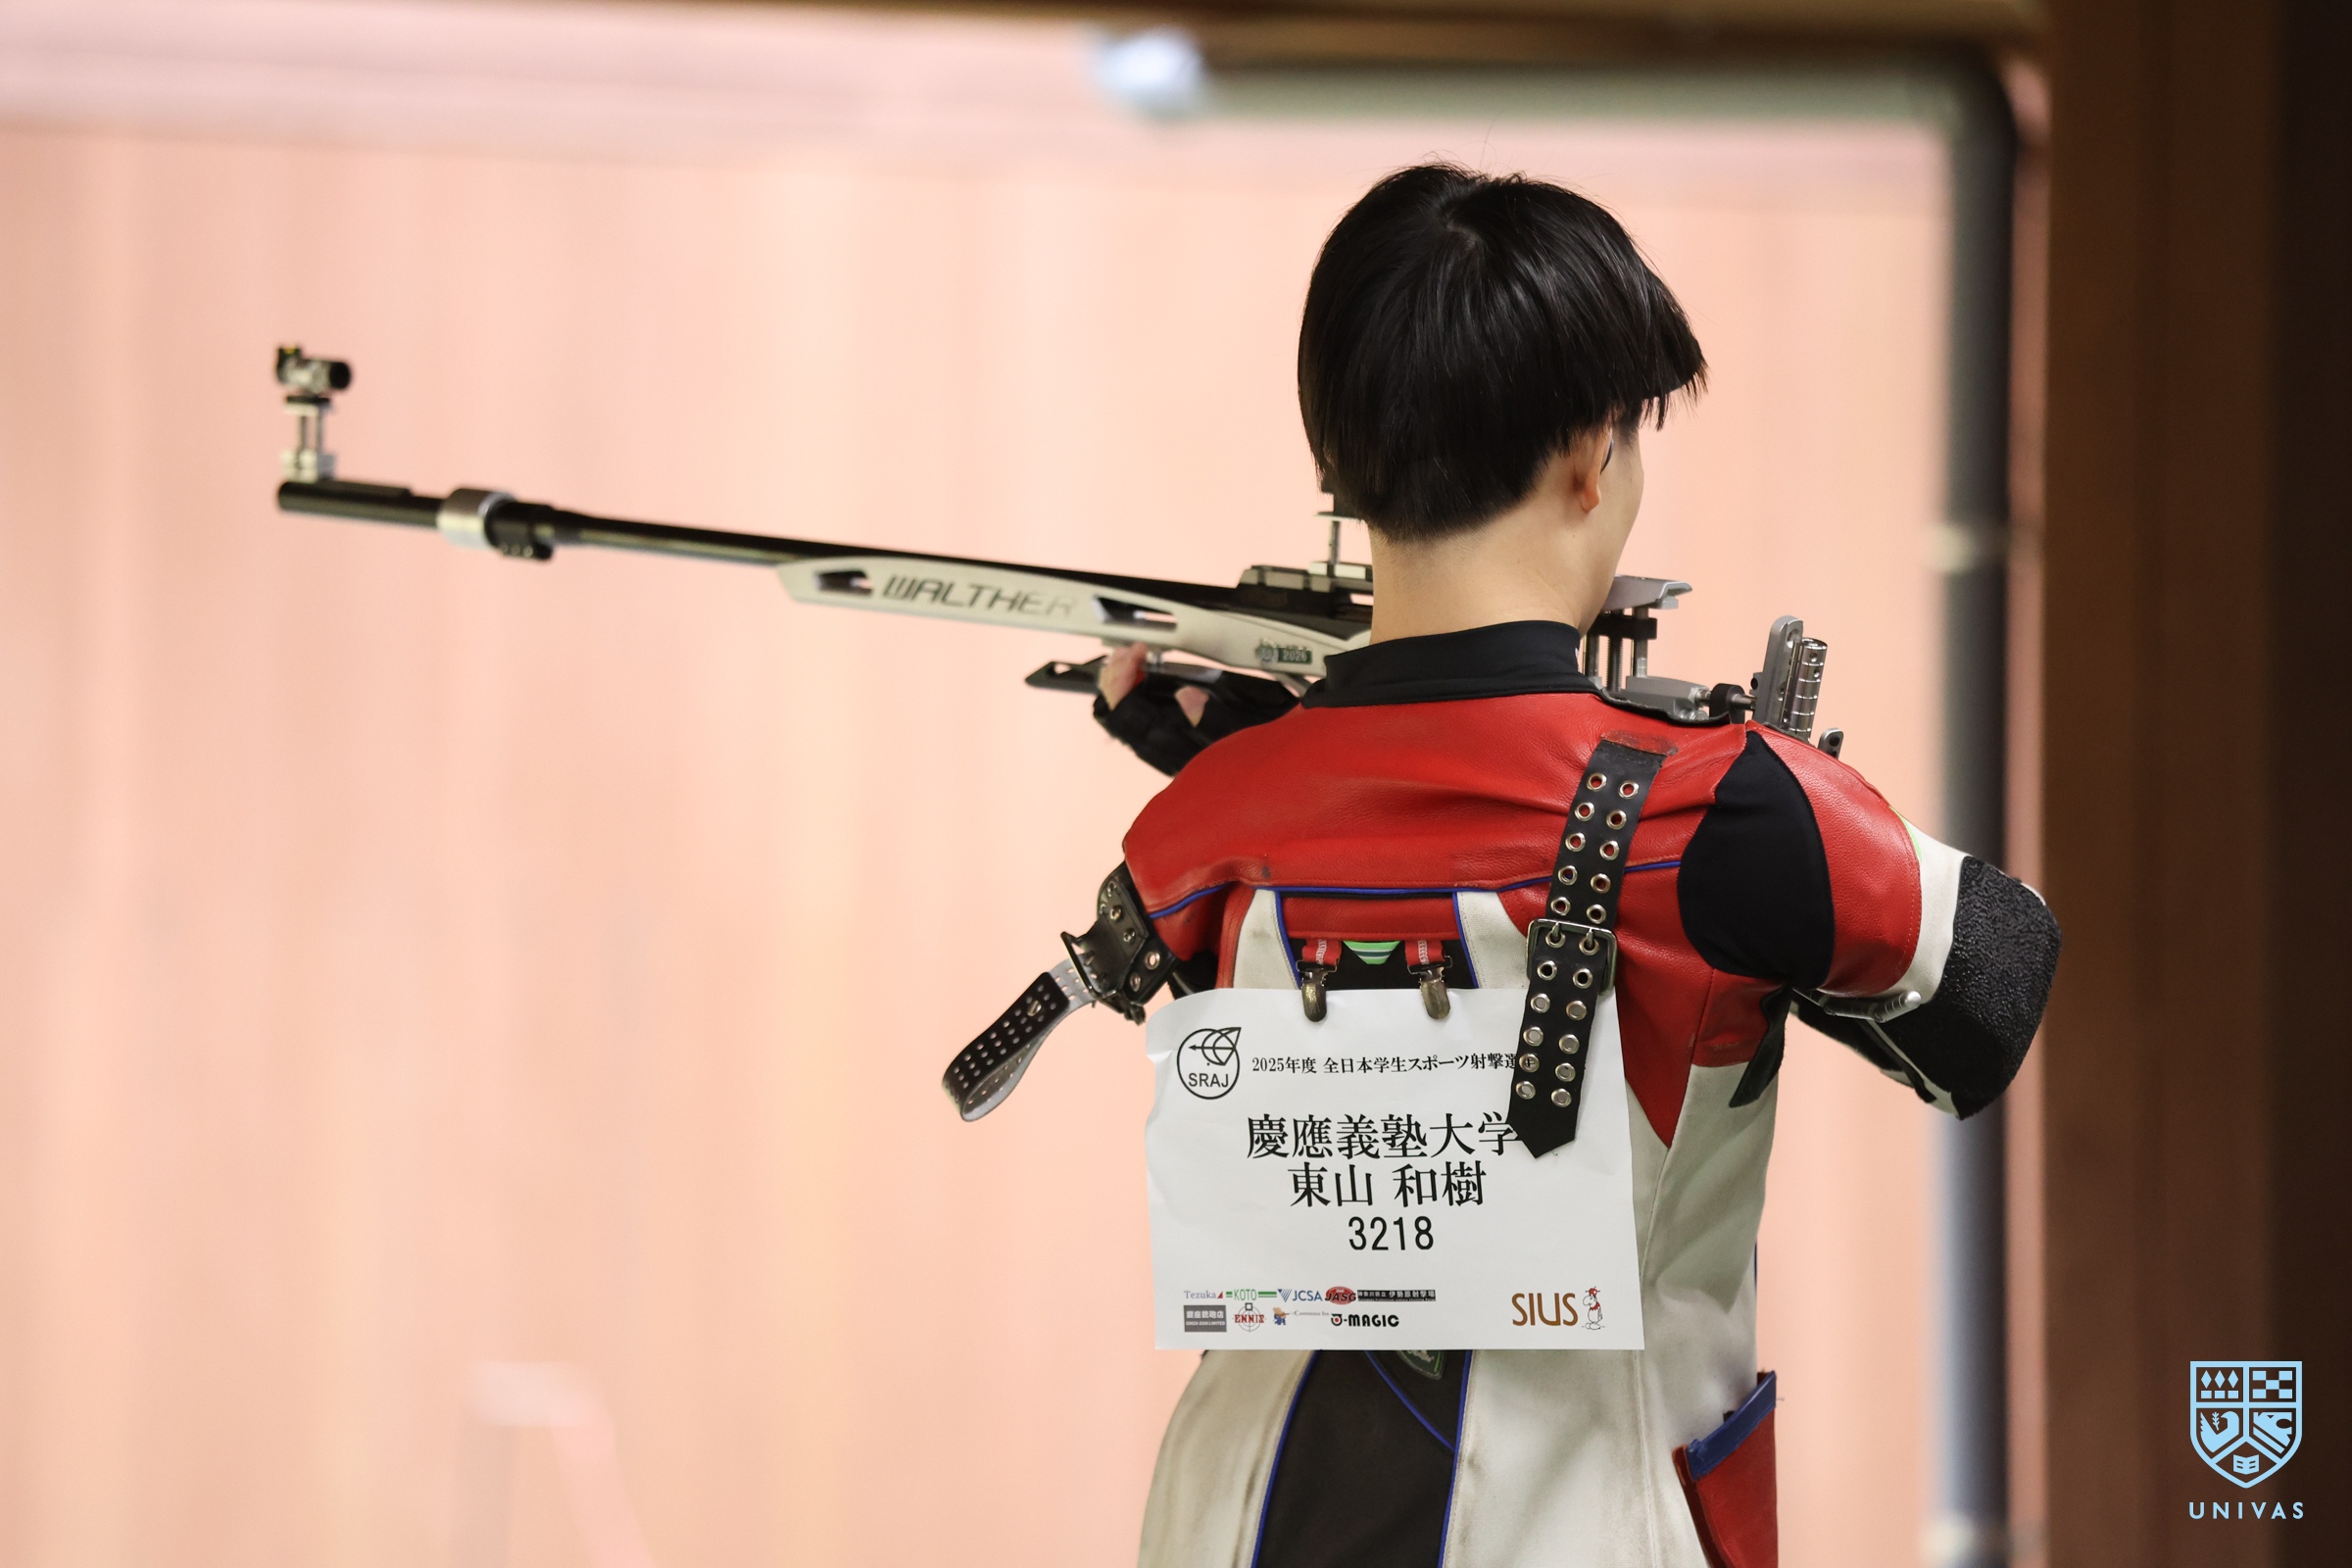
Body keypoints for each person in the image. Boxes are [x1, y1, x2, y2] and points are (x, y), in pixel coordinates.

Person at [1088, 165, 2060, 1568]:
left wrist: (1261, 756)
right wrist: (1787, 846)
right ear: (1594, 458)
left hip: (1229, 1524)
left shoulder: (1214, 811)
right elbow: (1997, 987)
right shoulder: (1723, 807)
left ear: (1337, 464)